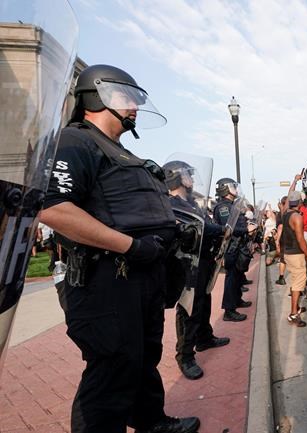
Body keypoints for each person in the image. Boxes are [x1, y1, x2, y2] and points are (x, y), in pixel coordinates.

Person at [39, 64, 199, 433]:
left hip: (142, 276)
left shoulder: (119, 152)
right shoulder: (75, 141)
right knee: (111, 369)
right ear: (99, 96)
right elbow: (54, 208)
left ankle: (151, 421)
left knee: (142, 358)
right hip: (106, 280)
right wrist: (129, 246)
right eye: (128, 98)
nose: (135, 107)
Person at [163, 161, 231, 380]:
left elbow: (205, 224)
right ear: (177, 177)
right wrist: (221, 229)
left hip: (203, 260)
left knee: (204, 301)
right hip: (186, 263)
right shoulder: (170, 203)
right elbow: (200, 226)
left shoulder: (192, 202)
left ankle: (204, 337)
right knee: (189, 308)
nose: (192, 178)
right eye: (188, 174)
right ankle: (185, 355)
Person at [213, 177, 251, 322]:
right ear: (225, 189)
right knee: (231, 278)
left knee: (236, 277)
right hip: (230, 248)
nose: (235, 188)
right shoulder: (223, 207)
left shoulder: (231, 205)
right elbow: (230, 228)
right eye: (232, 186)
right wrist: (246, 229)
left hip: (236, 246)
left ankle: (236, 300)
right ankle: (229, 310)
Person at [278, 190, 307, 327]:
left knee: (295, 282)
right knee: (298, 284)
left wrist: (294, 181)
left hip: (288, 253)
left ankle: (296, 308)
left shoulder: (285, 213)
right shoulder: (297, 217)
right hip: (296, 254)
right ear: (299, 202)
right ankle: (293, 314)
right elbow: (300, 239)